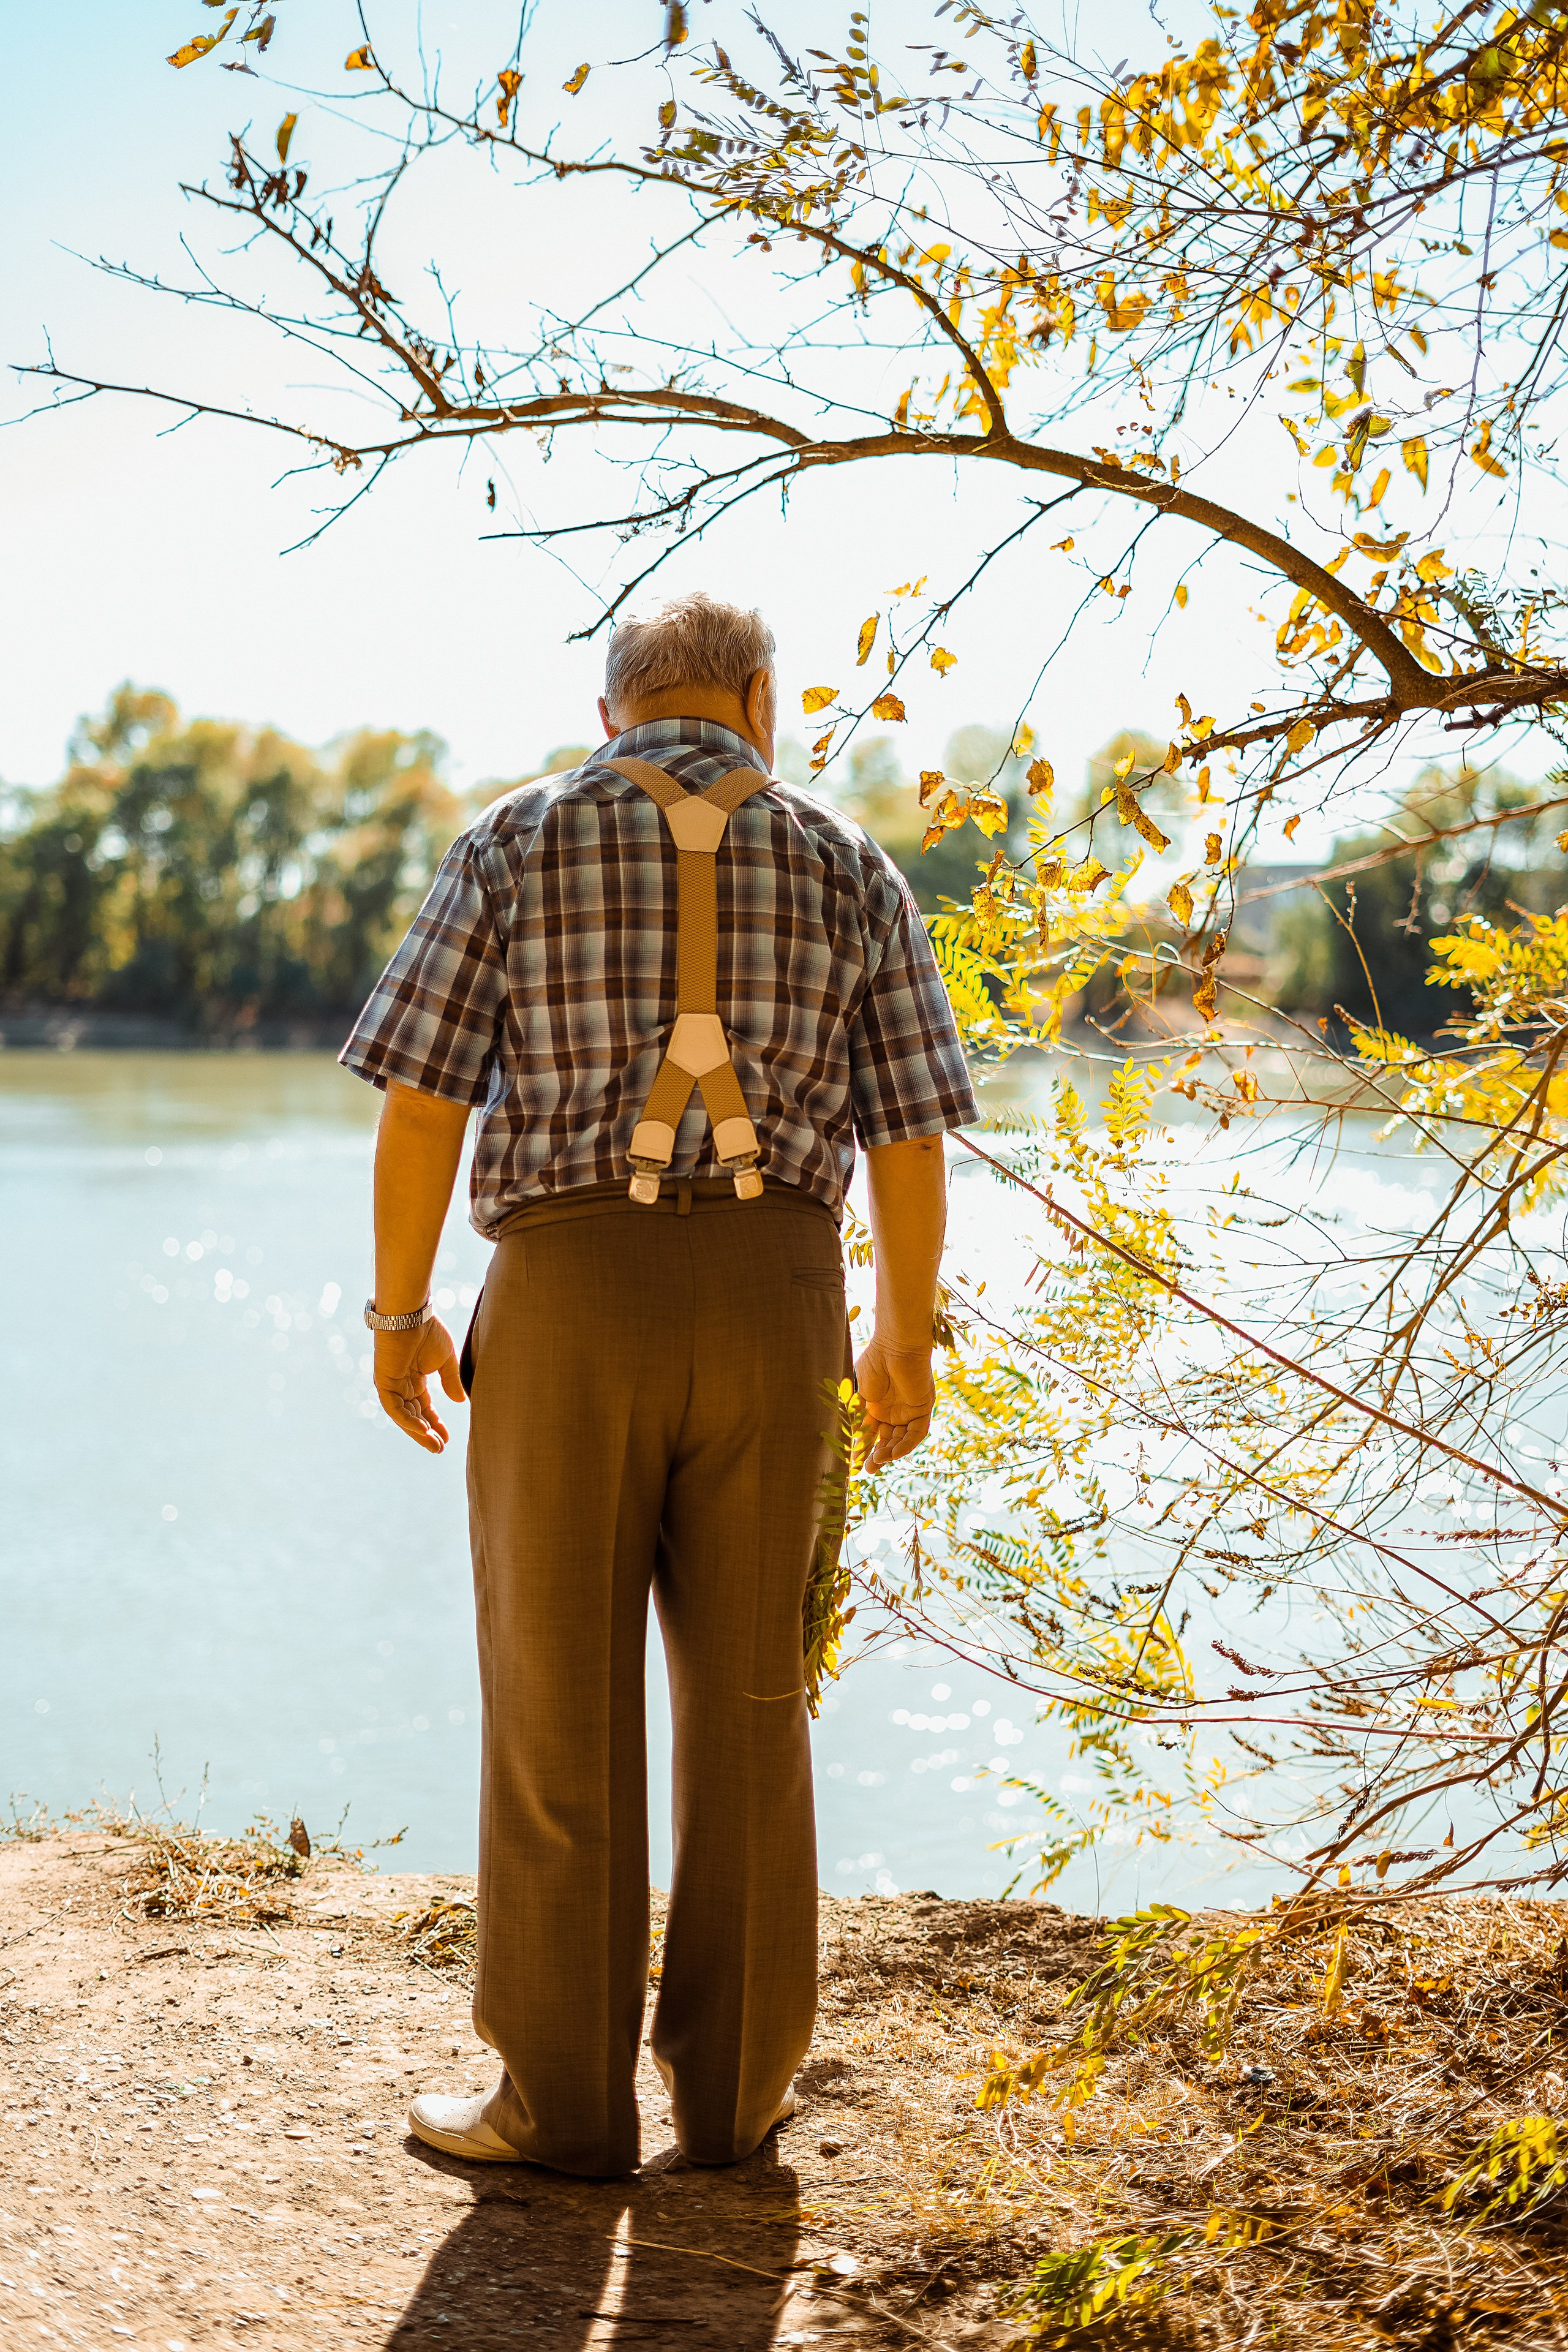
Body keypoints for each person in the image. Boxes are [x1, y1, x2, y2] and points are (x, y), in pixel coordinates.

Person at [340, 590, 977, 2176]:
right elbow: (910, 1129)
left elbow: (424, 1104)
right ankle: (738, 2102)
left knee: (558, 1706)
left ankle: (560, 2106)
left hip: (566, 1296)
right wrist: (901, 1332)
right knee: (755, 1703)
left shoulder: (515, 839)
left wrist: (402, 1314)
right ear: (763, 700)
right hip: (777, 1305)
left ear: (612, 712)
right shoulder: (848, 859)